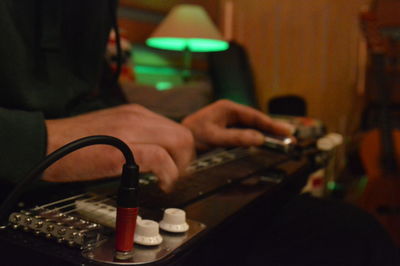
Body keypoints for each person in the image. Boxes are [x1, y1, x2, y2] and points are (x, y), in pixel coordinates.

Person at [0, 1, 398, 266]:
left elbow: (102, 107)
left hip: (87, 194)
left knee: (352, 235)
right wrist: (38, 141)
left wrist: (176, 131)